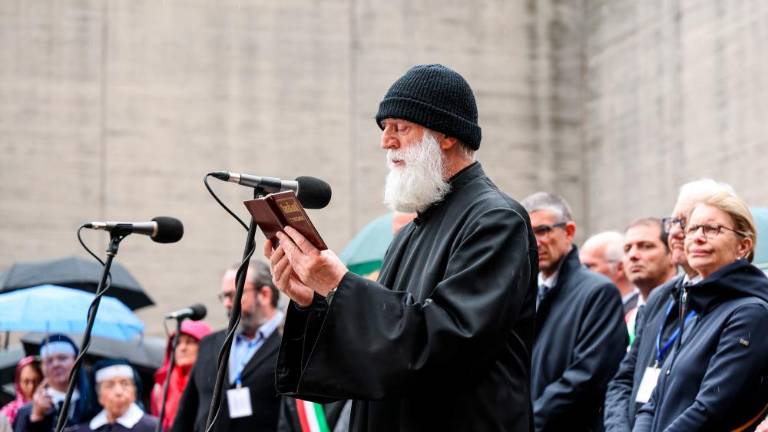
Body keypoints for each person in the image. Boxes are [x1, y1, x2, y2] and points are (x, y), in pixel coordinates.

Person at [266, 64, 537, 431]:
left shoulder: (496, 220)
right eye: (384, 128)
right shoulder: (409, 233)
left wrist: (339, 285)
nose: (386, 142)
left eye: (399, 127)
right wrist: (312, 302)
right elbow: (376, 348)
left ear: (446, 135)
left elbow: (450, 341)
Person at [603, 179, 736, 431]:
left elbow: (711, 404)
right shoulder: (660, 297)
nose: (674, 233)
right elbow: (623, 380)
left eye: (687, 223)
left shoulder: (739, 305)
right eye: (672, 222)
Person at [633, 191, 768, 431]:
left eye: (712, 229)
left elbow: (710, 408)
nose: (697, 238)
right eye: (693, 229)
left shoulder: (750, 312)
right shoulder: (697, 308)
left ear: (743, 246)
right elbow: (653, 402)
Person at [521, 191, 627, 431]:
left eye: (543, 230)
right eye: (528, 232)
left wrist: (531, 422)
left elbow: (586, 376)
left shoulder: (598, 292)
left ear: (569, 232)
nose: (535, 241)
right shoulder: (525, 292)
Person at [172, 260, 283, 432]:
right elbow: (186, 413)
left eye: (233, 295)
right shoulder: (209, 344)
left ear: (264, 294)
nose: (227, 303)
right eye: (224, 296)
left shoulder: (293, 344)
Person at [14, 334, 97, 432]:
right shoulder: (27, 412)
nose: (56, 364)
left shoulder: (93, 405)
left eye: (62, 358)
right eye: (49, 360)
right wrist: (36, 418)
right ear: (42, 367)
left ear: (75, 360)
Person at [620, 218, 678, 342]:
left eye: (646, 246)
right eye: (627, 249)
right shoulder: (626, 316)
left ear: (672, 253)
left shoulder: (687, 308)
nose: (633, 255)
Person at [150, 320, 212, 431]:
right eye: (177, 343)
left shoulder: (214, 382)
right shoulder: (161, 387)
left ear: (205, 346)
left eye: (189, 342)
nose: (182, 348)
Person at [66, 359, 158, 432]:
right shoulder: (84, 429)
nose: (118, 392)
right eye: (109, 385)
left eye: (125, 384)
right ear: (99, 395)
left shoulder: (153, 427)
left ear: (135, 391)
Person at [581, 231, 638, 313]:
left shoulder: (638, 313)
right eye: (580, 267)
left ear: (620, 268)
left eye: (588, 266)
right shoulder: (588, 309)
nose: (582, 272)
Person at [0, 356, 42, 425]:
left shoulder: (54, 409)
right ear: (18, 383)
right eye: (26, 382)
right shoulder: (8, 413)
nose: (31, 387)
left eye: (36, 381)